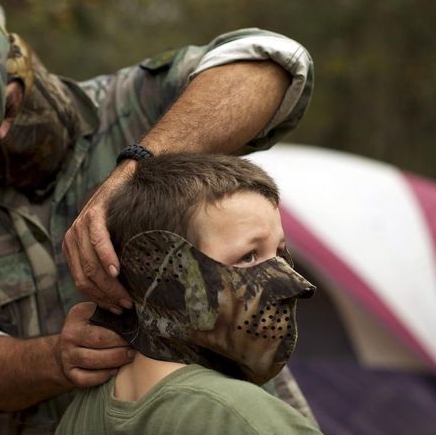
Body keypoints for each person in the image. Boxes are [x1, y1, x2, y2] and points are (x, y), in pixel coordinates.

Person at [0, 0, 314, 434]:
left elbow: (271, 64)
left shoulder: (132, 102)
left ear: (22, 62)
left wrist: (137, 165)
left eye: (9, 108)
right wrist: (55, 359)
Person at [55, 153, 322, 435]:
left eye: (280, 253)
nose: (294, 282)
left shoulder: (81, 416)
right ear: (170, 278)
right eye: (248, 257)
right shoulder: (238, 416)